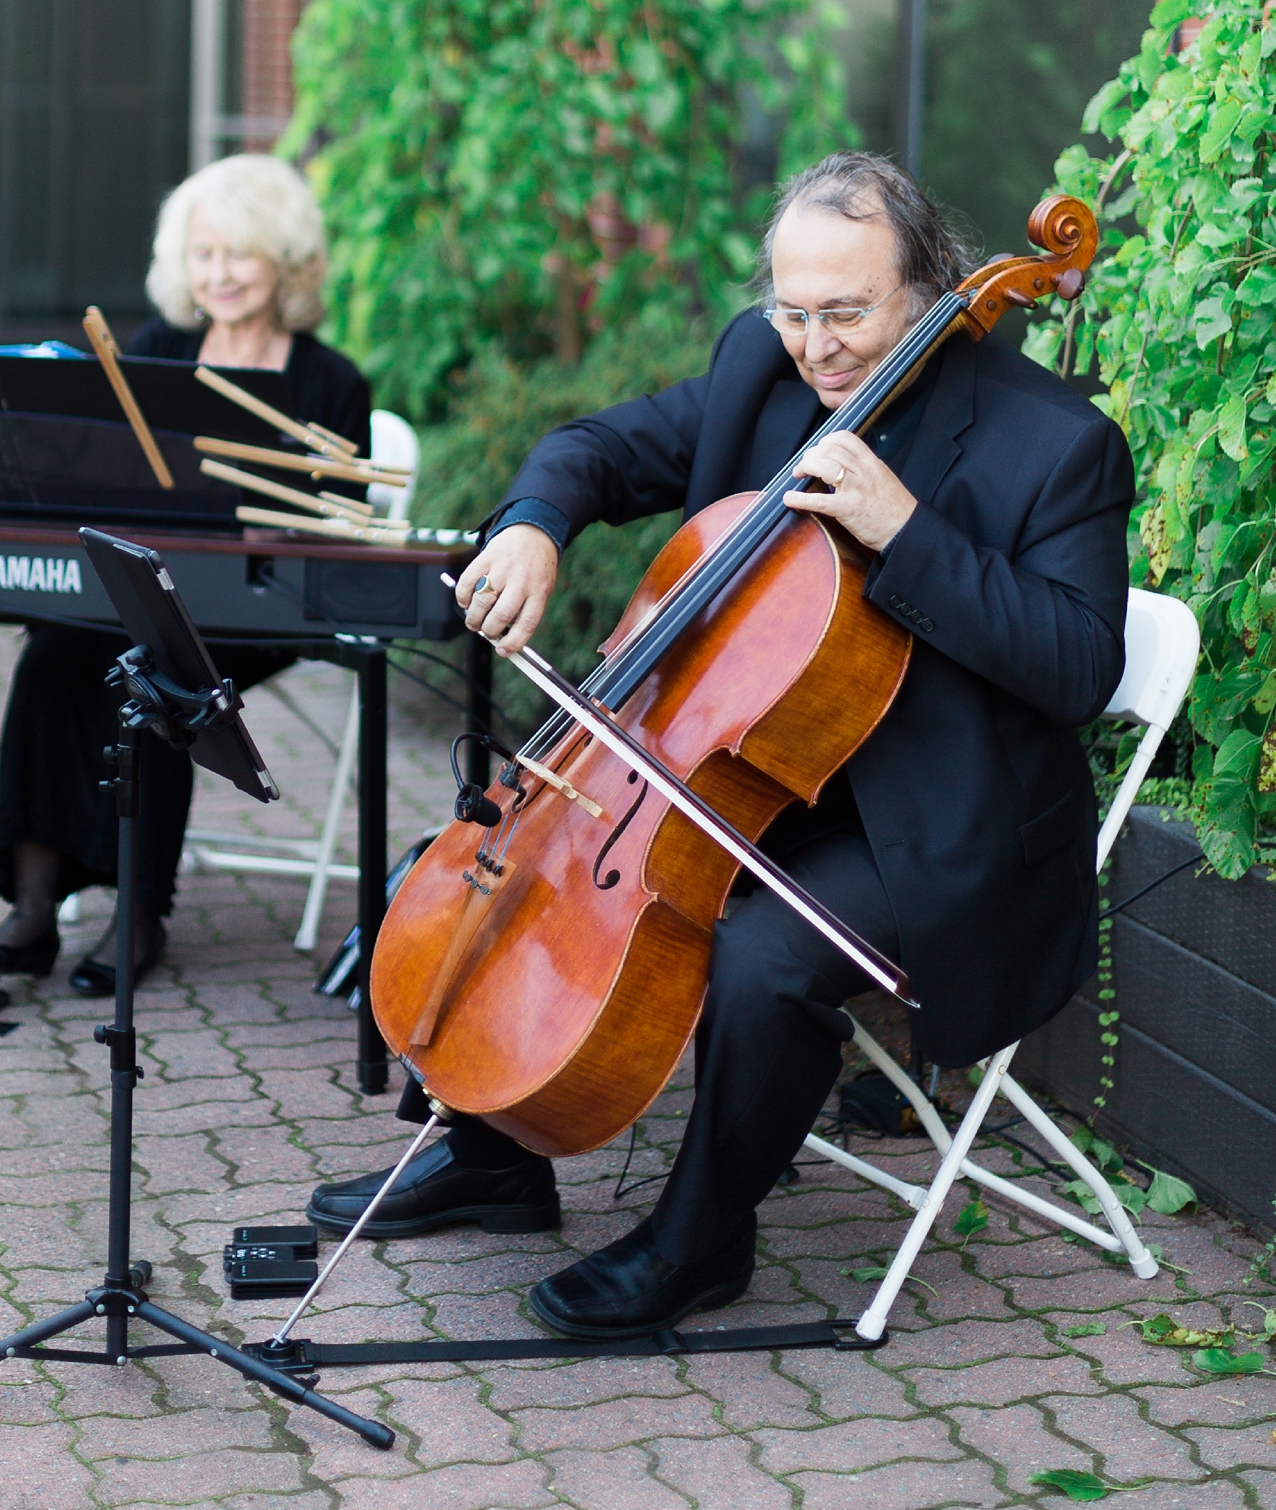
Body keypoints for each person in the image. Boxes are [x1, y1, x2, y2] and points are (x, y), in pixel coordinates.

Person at [307, 150, 1133, 1339]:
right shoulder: (763, 364)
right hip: (745, 763)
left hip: (933, 820)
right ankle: (496, 1153)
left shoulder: (1052, 442)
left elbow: (1076, 663)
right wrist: (536, 523)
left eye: (846, 310)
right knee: (539, 865)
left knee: (762, 955)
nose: (816, 344)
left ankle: (701, 1239)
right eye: (795, 310)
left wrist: (906, 531)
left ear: (931, 285)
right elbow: (601, 445)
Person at [0, 155, 370, 996]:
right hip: (141, 588)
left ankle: (137, 912)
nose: (217, 275)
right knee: (48, 661)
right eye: (203, 254)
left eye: (238, 254)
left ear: (285, 260)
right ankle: (34, 906)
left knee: (156, 676)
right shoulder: (156, 351)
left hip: (256, 607)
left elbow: (337, 531)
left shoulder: (331, 382)